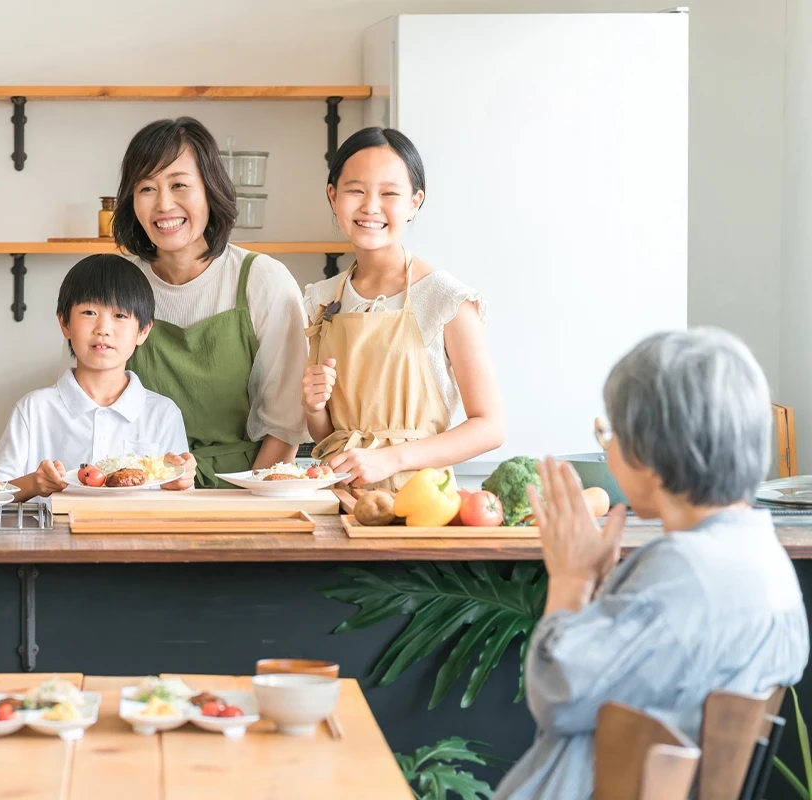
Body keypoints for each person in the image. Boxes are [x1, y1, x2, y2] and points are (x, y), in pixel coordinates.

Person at [495, 328, 810, 799]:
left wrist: (570, 579)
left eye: (613, 432)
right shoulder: (764, 559)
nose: (609, 447)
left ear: (650, 452)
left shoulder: (684, 569)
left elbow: (559, 696)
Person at [302, 127, 504, 491]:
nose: (370, 206)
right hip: (338, 497)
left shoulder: (446, 300)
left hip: (421, 502)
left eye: (390, 193)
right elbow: (329, 433)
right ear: (333, 196)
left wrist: (391, 458)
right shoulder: (322, 298)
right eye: (355, 190)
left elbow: (490, 426)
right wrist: (315, 408)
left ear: (414, 202)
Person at [114, 117, 309, 488]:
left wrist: (241, 507)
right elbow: (82, 404)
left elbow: (284, 428)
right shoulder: (115, 284)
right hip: (139, 490)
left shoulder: (262, 280)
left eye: (179, 185)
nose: (164, 204)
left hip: (240, 487)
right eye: (146, 188)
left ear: (210, 190)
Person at [0, 255, 195, 502]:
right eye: (89, 312)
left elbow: (182, 503)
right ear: (64, 323)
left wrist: (180, 481)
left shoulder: (163, 413)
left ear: (143, 331)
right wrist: (35, 483)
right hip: (52, 539)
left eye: (120, 316)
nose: (103, 328)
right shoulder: (34, 409)